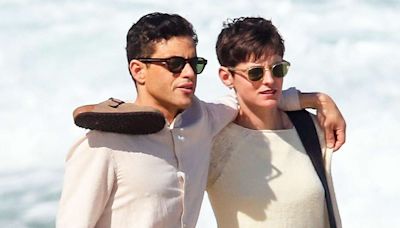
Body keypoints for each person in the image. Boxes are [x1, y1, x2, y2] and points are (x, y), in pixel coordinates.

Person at [56, 12, 345, 228]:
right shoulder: (101, 145)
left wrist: (317, 100)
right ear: (138, 70)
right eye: (174, 64)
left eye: (194, 64)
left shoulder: (203, 121)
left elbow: (251, 92)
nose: (188, 74)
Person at [206, 17, 342, 227]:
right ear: (226, 77)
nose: (270, 80)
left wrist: (320, 99)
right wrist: (315, 98)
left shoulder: (312, 128)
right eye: (255, 73)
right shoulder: (213, 142)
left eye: (278, 69)